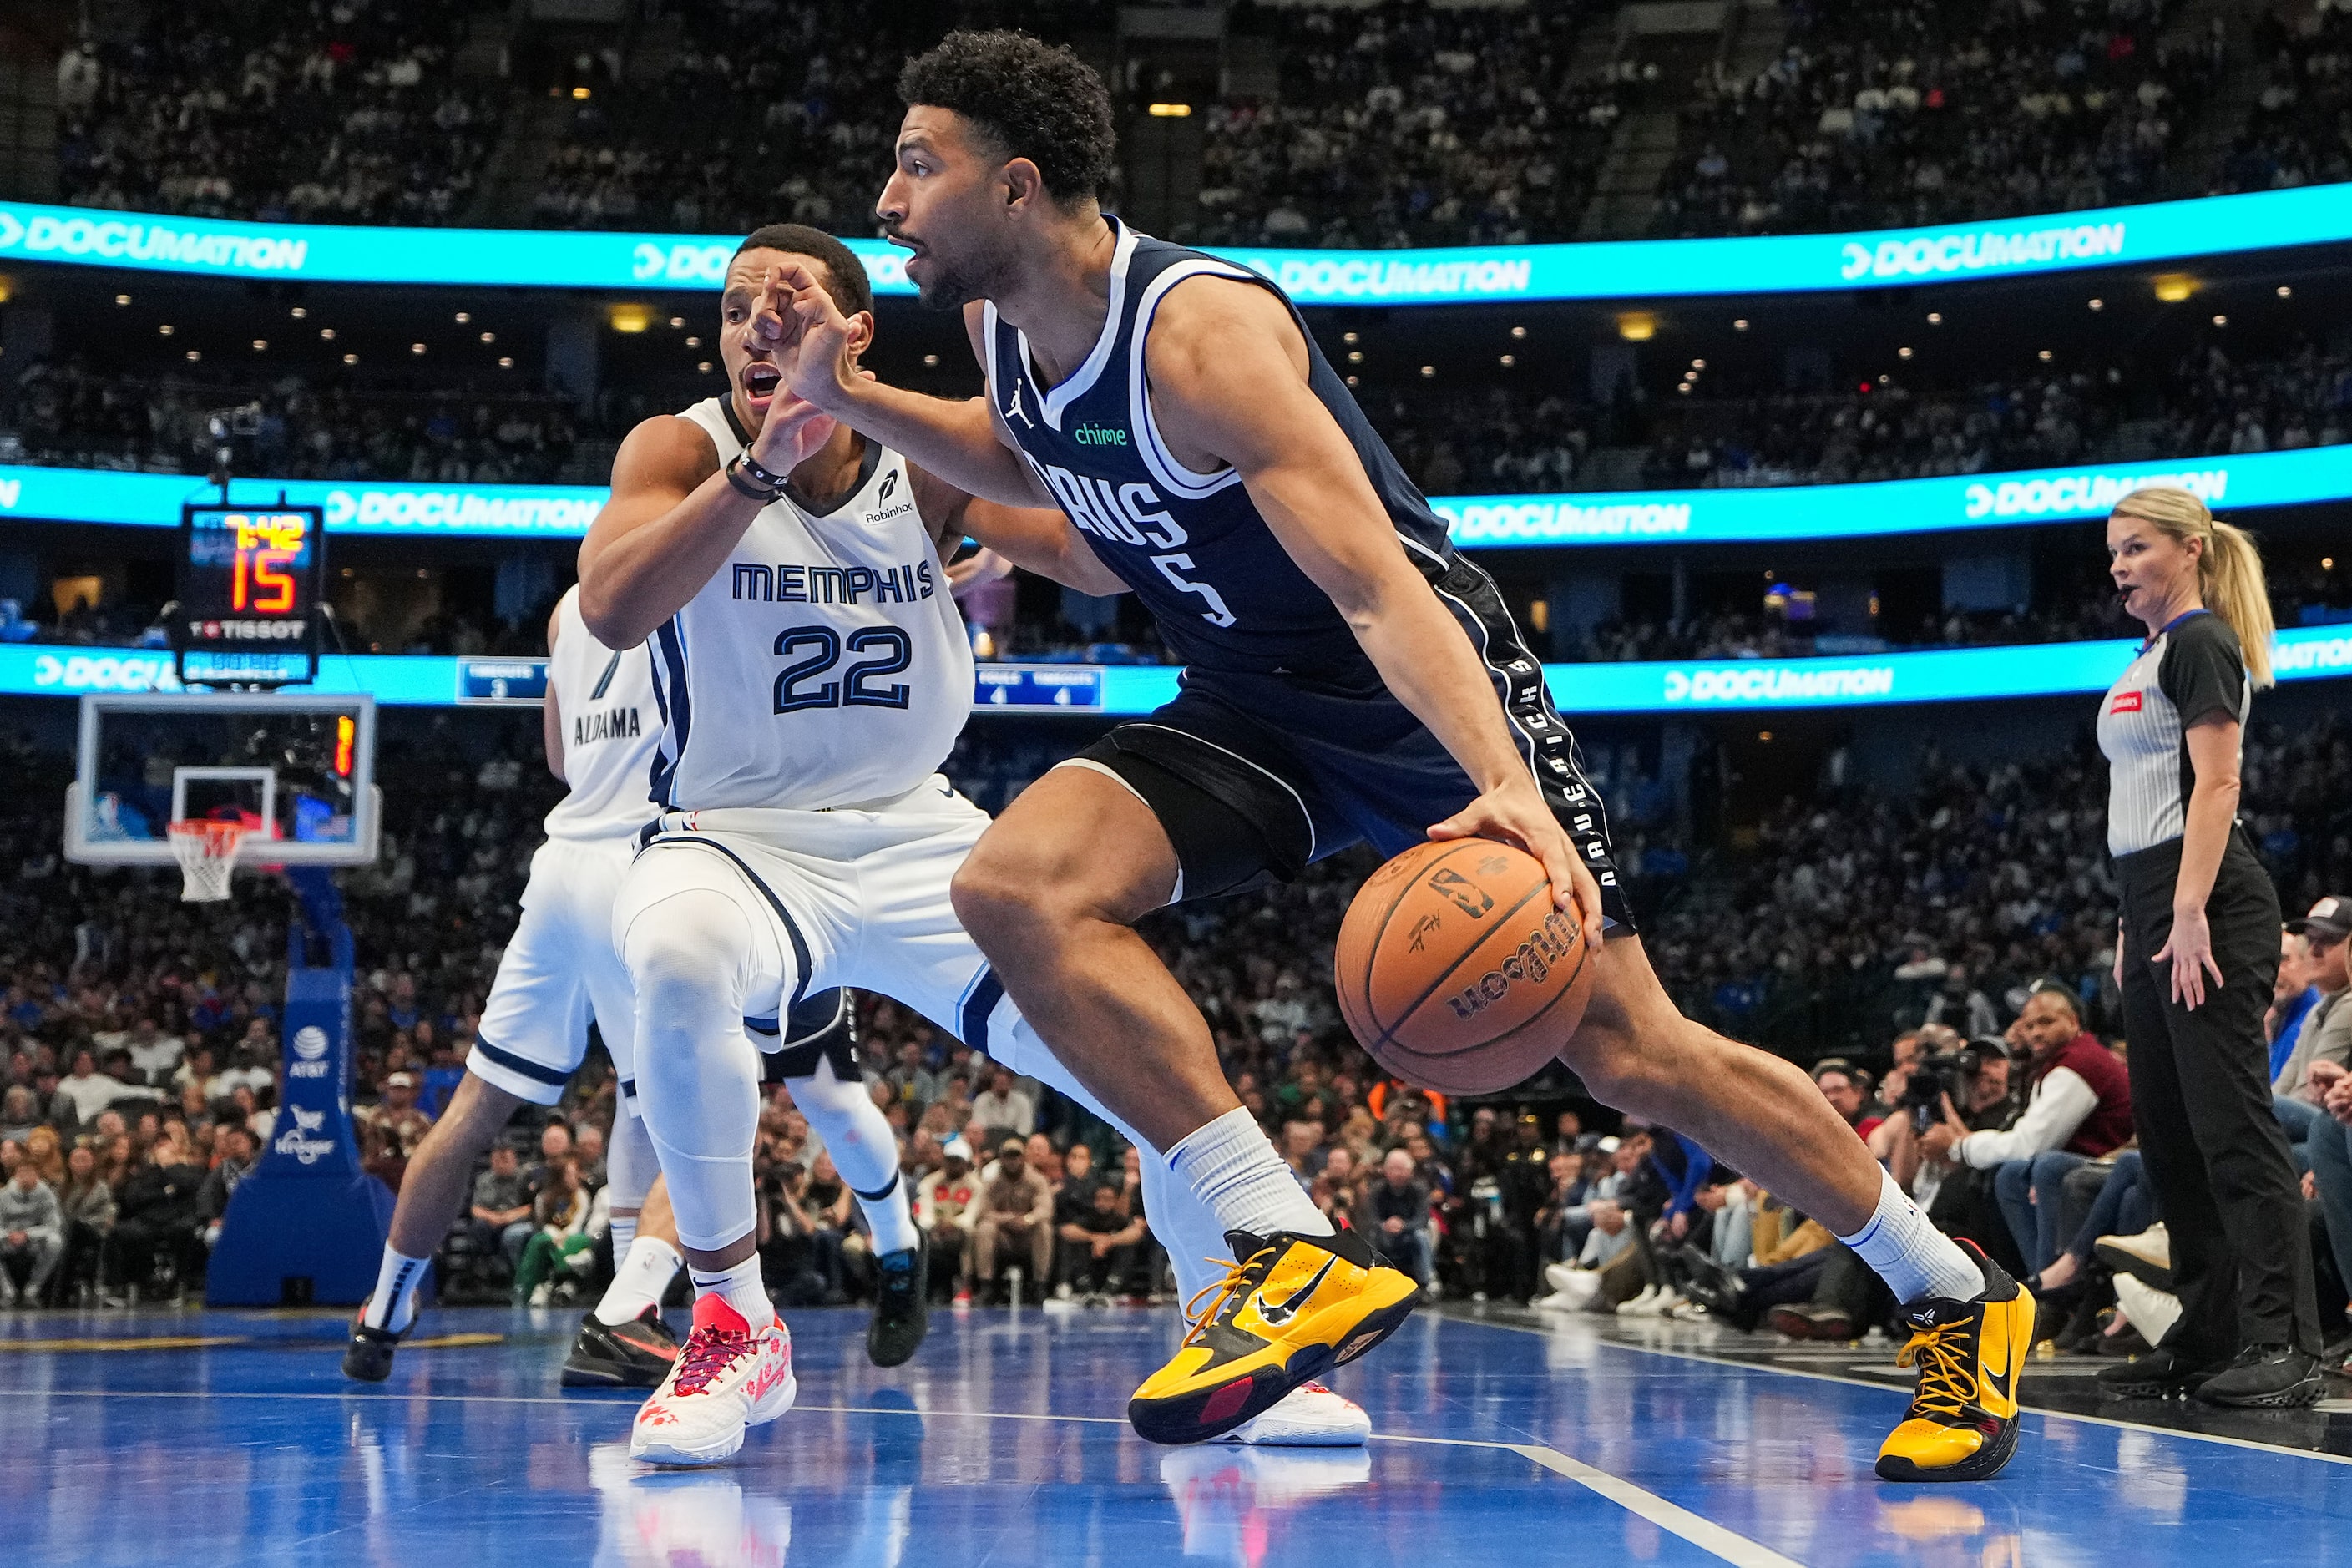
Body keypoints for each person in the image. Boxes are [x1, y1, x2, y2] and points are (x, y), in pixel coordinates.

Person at [766, 29, 2030, 1474]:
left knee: (1631, 1051)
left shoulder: (1198, 335)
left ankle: (1950, 1287)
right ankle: (1287, 1239)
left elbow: (1380, 584)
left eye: (916, 164)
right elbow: (1035, 467)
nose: (885, 197)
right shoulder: (1006, 330)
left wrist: (1503, 787)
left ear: (1018, 183)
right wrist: (847, 399)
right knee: (1015, 888)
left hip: (1409, 685)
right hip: (1249, 690)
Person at [577, 223, 1368, 1465]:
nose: (757, 326)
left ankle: (1240, 1332)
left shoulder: (921, 453)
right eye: (738, 308)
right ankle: (733, 1322)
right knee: (669, 951)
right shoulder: (682, 447)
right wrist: (759, 476)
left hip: (915, 834)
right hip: (736, 835)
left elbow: (1101, 562)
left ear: (857, 334)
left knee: (1129, 1048)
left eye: (789, 304)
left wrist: (1122, 494)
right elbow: (614, 607)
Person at [342, 585, 700, 1393]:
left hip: (562, 862)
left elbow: (557, 758)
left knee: (475, 1108)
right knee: (701, 1105)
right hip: (643, 860)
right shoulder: (696, 568)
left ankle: (385, 1307)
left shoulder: (570, 606)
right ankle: (630, 1311)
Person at [2094, 485, 2324, 1406]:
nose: (2119, 565)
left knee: (2231, 1124)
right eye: (2113, 552)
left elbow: (2217, 786)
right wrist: (2131, 919)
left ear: (2190, 550)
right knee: (2171, 1134)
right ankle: (2210, 1332)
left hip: (2209, 901)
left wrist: (2186, 911)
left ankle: (2286, 1345)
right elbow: (2139, 800)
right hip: (2151, 899)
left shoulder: (2200, 642)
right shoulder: (2147, 654)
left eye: (2137, 548)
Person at [1924, 988, 2133, 1276]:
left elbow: (2030, 1146)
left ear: (2073, 1022)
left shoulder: (2079, 1063)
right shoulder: (2053, 1064)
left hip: (2113, 1164)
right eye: (2029, 1025)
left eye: (2047, 1022)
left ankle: (2048, 1282)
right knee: (2010, 1175)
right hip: (2087, 1163)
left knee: (2038, 1166)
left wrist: (1958, 1147)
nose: (2035, 1032)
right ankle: (2034, 1277)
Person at [971, 1136, 1054, 1301]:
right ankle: (986, 1284)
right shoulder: (992, 1182)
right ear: (1001, 1158)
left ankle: (1039, 1284)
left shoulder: (1037, 1180)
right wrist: (1007, 1219)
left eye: (1016, 1156)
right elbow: (982, 1212)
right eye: (1008, 1156)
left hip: (1028, 1234)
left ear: (1023, 1158)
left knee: (1044, 1228)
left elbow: (1045, 1209)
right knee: (984, 1228)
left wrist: (1028, 1220)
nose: (1012, 1161)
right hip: (1003, 1235)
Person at [0, 1159, 63, 1306]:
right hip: (8, 1238)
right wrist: (8, 1235)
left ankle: (32, 1290)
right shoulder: (3, 1196)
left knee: (55, 1241)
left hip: (34, 1240)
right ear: (15, 1175)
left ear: (37, 1175)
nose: (26, 1176)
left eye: (30, 1172)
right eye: (22, 1172)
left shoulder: (47, 1195)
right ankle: (7, 1292)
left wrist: (28, 1234)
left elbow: (54, 1224)